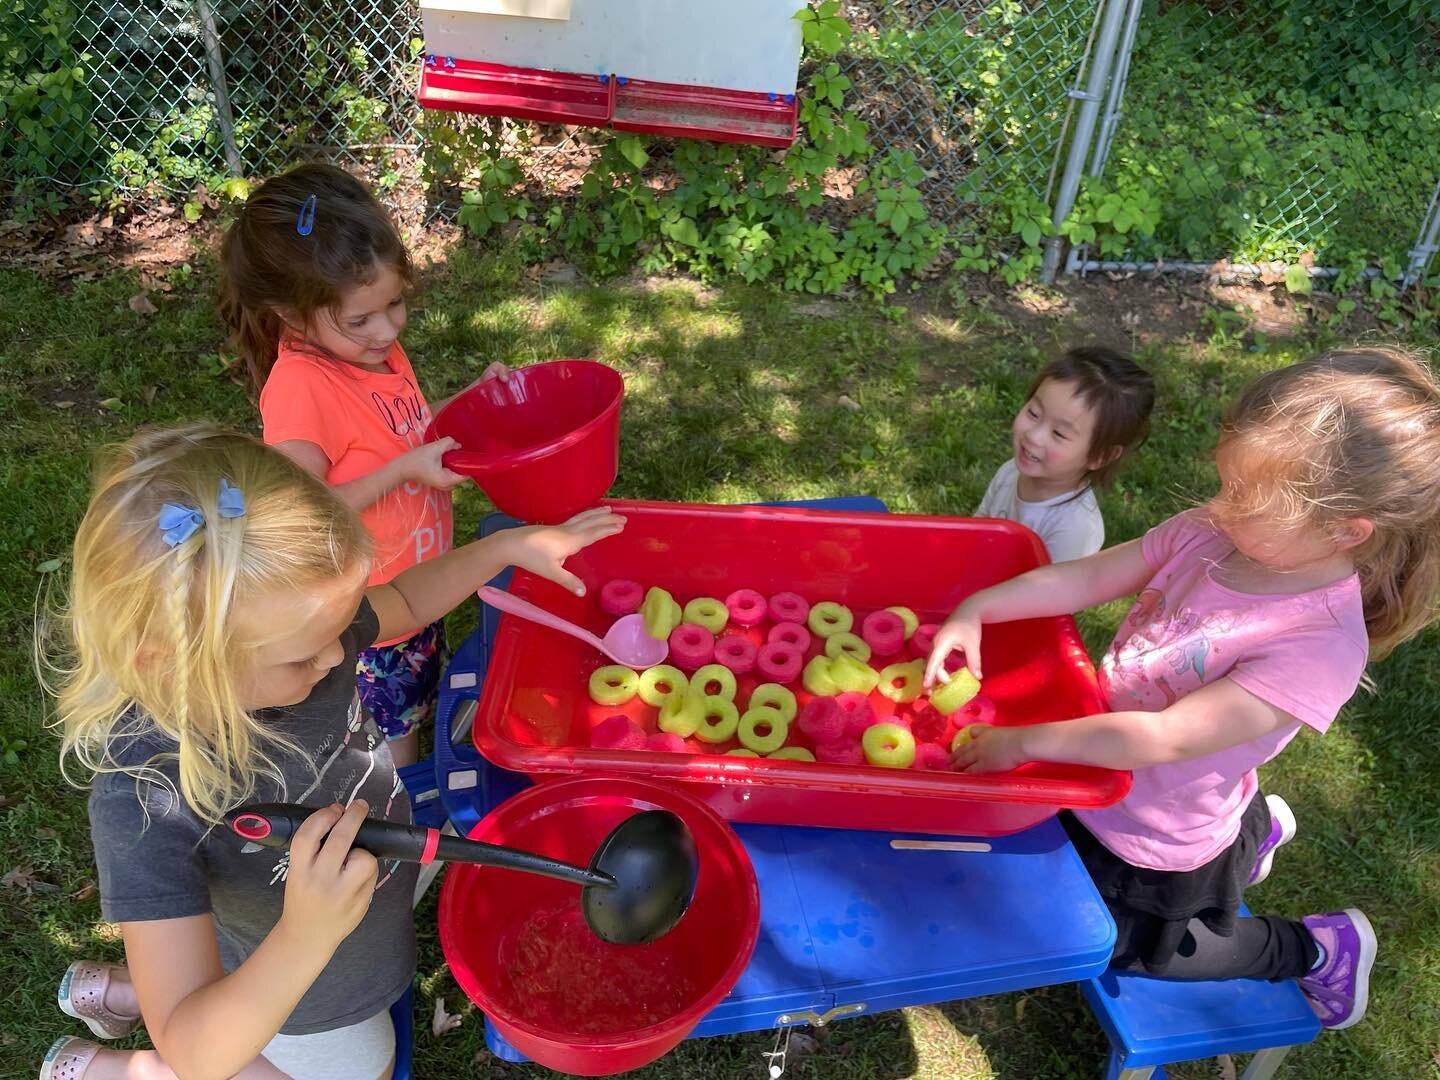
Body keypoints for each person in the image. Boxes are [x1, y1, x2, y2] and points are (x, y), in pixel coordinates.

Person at [39, 425, 623, 1079]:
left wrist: (505, 548)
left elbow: (401, 600)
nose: (340, 653)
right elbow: (194, 1048)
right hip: (302, 993)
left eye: (340, 626)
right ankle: (106, 1070)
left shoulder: (299, 632)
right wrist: (304, 937)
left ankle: (124, 987)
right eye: (302, 655)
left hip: (358, 899)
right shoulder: (146, 800)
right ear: (171, 661)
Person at [928, 347, 1440, 1030]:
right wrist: (979, 608)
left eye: (1248, 499)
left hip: (1157, 829)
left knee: (1134, 950)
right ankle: (1252, 833)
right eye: (1226, 482)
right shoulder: (1213, 532)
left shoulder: (1317, 646)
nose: (1220, 507)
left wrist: (1019, 742)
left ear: (1344, 530)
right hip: (1114, 776)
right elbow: (1085, 579)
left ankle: (1314, 949)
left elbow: (1162, 738)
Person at [220, 162, 503, 766]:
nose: (389, 328)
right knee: (385, 744)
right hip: (365, 620)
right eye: (362, 319)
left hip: (416, 589)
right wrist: (404, 472)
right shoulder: (302, 386)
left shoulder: (372, 351)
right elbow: (296, 511)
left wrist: (474, 404)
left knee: (421, 700)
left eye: (395, 303)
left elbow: (405, 427)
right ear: (292, 315)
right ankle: (398, 831)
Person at [975, 346, 1154, 563]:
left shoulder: (1074, 527)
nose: (1033, 436)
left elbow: (1052, 594)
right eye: (1033, 413)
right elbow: (979, 528)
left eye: (1059, 433)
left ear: (1101, 456)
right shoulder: (1010, 471)